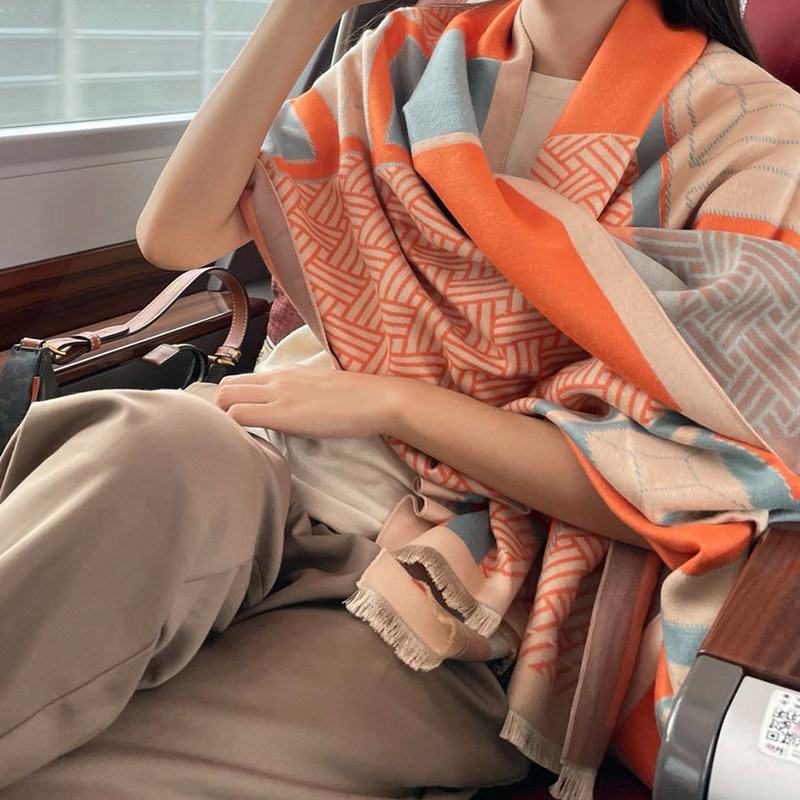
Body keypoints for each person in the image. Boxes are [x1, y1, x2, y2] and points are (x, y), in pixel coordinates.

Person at [2, 1, 795, 799]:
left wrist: (393, 404)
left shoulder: (753, 137)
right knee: (149, 447)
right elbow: (175, 235)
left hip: (462, 597)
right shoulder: (413, 56)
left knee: (87, 779)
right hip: (258, 466)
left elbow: (692, 481)